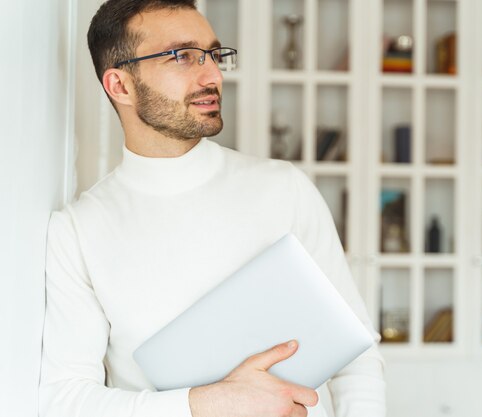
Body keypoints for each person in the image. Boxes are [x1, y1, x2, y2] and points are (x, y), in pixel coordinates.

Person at [38, 1, 386, 417]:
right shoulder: (78, 231)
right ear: (120, 85)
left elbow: (357, 357)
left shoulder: (283, 188)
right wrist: (208, 402)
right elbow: (65, 399)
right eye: (182, 56)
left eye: (214, 55)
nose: (213, 75)